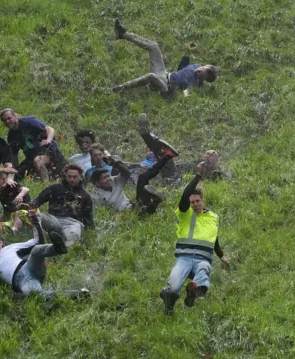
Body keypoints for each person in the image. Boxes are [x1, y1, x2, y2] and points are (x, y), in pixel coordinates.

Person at [159, 163, 230, 315]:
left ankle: (192, 293)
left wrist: (221, 255)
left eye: (198, 201)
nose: (195, 204)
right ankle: (168, 301)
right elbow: (184, 196)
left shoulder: (213, 217)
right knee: (173, 289)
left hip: (202, 260)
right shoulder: (185, 214)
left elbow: (213, 238)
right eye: (192, 202)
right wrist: (198, 175)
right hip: (184, 259)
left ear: (202, 200)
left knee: (204, 272)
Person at [0, 212, 87, 298]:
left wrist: (36, 223)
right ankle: (79, 294)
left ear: (1, 241)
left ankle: (57, 248)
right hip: (22, 280)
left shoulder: (12, 247)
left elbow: (37, 241)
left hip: (29, 266)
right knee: (37, 295)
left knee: (36, 250)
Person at [111, 19, 219, 98]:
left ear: (204, 78)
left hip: (164, 86)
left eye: (203, 72)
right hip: (164, 73)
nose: (200, 69)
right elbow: (182, 68)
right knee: (154, 46)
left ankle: (119, 88)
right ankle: (124, 34)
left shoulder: (196, 85)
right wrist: (187, 53)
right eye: (203, 67)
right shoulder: (196, 66)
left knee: (151, 76)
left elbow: (185, 96)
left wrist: (182, 94)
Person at [90, 128, 178, 215]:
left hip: (132, 205)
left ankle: (167, 156)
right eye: (104, 178)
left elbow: (127, 173)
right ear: (97, 183)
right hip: (122, 214)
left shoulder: (114, 181)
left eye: (107, 176)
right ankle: (154, 202)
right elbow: (99, 213)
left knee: (143, 177)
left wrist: (115, 163)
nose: (108, 179)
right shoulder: (96, 196)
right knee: (142, 212)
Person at [32, 164, 94, 246]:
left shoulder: (85, 195)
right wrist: (28, 210)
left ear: (80, 177)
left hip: (72, 223)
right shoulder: (54, 188)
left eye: (75, 177)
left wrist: (91, 235)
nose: (72, 179)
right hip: (53, 219)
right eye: (69, 176)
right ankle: (41, 240)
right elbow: (37, 201)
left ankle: (64, 250)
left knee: (72, 238)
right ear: (65, 176)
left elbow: (88, 217)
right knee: (37, 217)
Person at [0, 109, 67, 182]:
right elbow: (14, 156)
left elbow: (50, 129)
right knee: (16, 174)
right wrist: (14, 169)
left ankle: (46, 185)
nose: (7, 121)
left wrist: (48, 140)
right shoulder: (11, 136)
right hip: (31, 157)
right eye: (4, 120)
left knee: (38, 161)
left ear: (15, 116)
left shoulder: (28, 121)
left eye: (9, 118)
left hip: (47, 149)